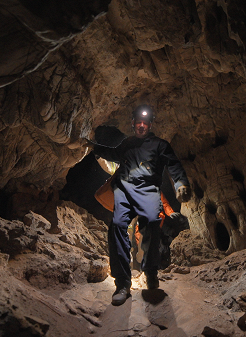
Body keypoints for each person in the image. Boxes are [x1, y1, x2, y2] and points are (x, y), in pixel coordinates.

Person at [81, 105, 191, 306]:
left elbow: (173, 164)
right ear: (133, 124)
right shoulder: (127, 144)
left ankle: (150, 272)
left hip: (148, 191)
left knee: (151, 223)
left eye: (145, 123)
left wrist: (181, 183)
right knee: (117, 227)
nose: (141, 126)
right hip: (123, 191)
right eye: (138, 123)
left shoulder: (160, 145)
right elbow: (113, 153)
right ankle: (122, 284)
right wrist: (92, 146)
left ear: (150, 124)